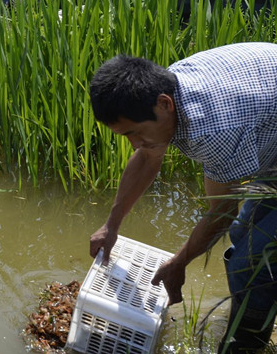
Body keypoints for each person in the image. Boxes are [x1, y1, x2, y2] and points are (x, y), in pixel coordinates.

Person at [88, 43, 277, 353]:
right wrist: (112, 226)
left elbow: (222, 212)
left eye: (135, 132)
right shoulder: (167, 89)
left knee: (250, 262)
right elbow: (148, 157)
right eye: (126, 136)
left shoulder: (213, 131)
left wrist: (179, 262)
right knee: (245, 235)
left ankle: (244, 347)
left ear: (164, 104)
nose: (135, 144)